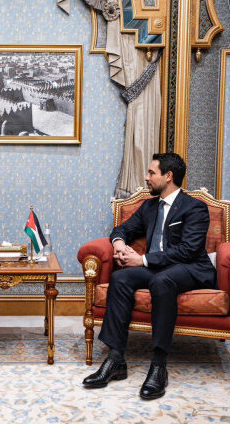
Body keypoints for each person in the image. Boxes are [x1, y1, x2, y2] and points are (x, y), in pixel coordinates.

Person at [82, 153, 215, 400]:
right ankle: (115, 359)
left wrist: (142, 260)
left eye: (152, 173)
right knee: (121, 278)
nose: (146, 177)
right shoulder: (150, 206)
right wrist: (119, 242)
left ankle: (159, 365)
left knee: (161, 281)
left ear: (168, 176)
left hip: (189, 268)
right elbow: (123, 228)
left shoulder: (195, 207)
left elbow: (187, 250)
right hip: (157, 267)